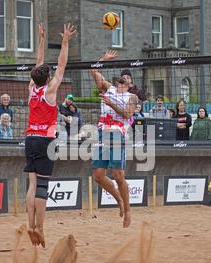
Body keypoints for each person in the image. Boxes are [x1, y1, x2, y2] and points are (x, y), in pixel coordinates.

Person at [24, 23, 77, 248]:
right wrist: (65, 41)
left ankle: (29, 223)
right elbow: (62, 65)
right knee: (43, 186)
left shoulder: (31, 88)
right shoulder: (50, 90)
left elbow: (38, 64)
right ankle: (40, 228)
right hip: (46, 140)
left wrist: (42, 40)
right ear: (47, 78)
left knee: (32, 184)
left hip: (30, 139)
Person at [90, 49, 139, 229]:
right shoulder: (108, 88)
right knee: (98, 176)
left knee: (118, 175)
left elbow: (127, 114)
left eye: (128, 78)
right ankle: (118, 199)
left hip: (117, 135)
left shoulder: (132, 97)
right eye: (123, 77)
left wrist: (111, 104)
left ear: (130, 84)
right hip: (103, 133)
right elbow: (94, 71)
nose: (124, 79)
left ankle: (127, 211)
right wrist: (103, 58)